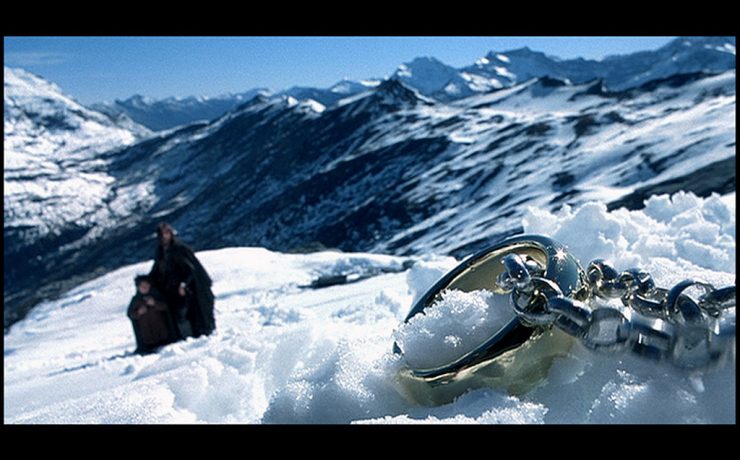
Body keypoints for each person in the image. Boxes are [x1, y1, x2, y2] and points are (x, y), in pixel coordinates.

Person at [148, 222, 216, 339]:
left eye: (166, 233)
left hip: (189, 288)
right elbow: (157, 270)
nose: (164, 237)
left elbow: (191, 269)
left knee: (190, 312)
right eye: (161, 234)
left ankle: (195, 335)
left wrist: (184, 284)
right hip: (170, 288)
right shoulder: (160, 251)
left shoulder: (179, 249)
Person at [127, 275, 177, 354]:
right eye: (142, 286)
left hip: (161, 331)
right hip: (146, 335)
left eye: (146, 285)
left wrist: (155, 304)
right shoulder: (136, 300)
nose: (144, 288)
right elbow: (130, 314)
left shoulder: (156, 295)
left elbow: (166, 307)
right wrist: (138, 312)